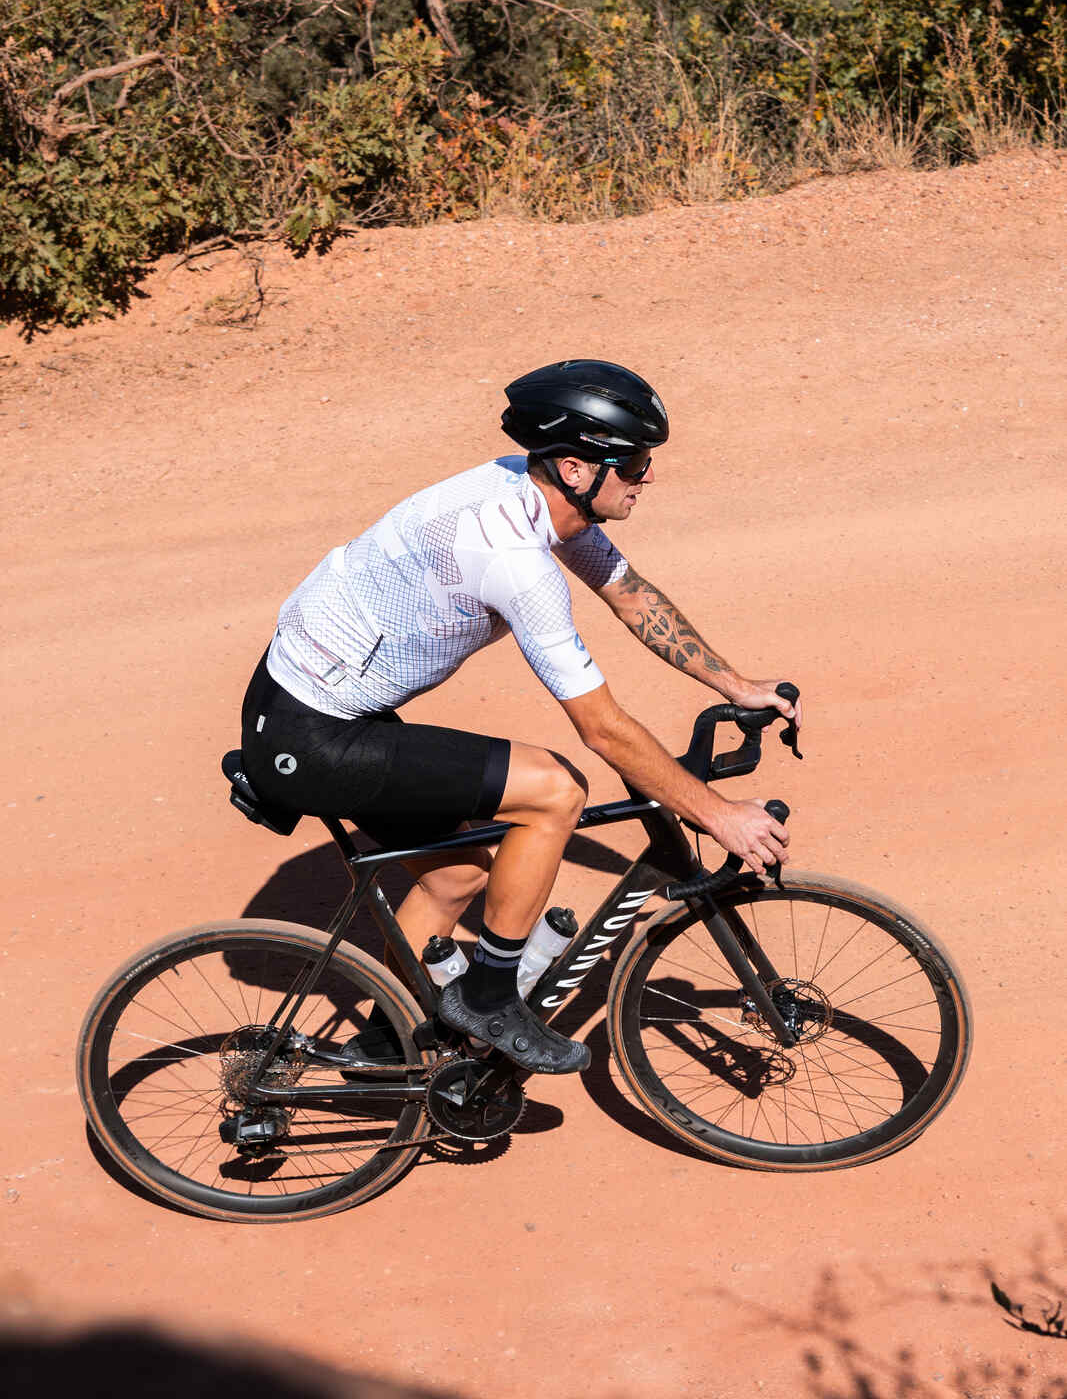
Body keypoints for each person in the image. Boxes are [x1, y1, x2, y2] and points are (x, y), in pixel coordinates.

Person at [240, 359, 800, 1075]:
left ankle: (391, 1045)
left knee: (455, 877)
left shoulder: (530, 492)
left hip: (316, 704)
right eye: (630, 463)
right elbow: (600, 728)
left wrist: (735, 683)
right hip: (314, 735)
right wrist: (715, 813)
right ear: (573, 467)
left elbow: (625, 591)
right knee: (555, 788)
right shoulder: (511, 557)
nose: (646, 476)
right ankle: (490, 995)